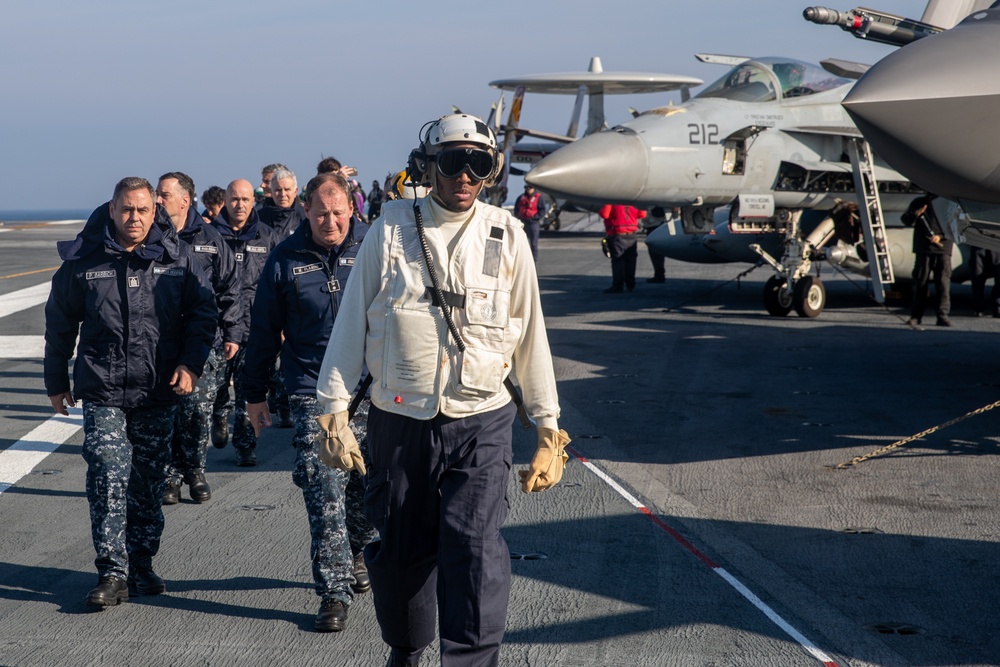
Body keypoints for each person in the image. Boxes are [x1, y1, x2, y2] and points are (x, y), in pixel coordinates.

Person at [316, 113, 570, 666]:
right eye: (453, 162)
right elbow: (351, 323)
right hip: (400, 419)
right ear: (428, 167)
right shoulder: (389, 229)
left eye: (478, 164)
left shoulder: (507, 235)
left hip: (482, 420)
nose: (464, 176)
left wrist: (549, 428)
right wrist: (332, 411)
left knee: (476, 553)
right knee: (402, 552)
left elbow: (531, 336)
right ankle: (405, 650)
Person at [44, 177, 216, 607]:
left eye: (143, 210)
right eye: (127, 210)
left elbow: (202, 313)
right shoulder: (85, 260)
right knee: (106, 471)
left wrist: (190, 364)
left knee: (147, 482)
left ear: (154, 210)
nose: (135, 218)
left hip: (157, 390)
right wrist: (56, 382)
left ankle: (140, 563)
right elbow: (60, 323)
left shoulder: (177, 259)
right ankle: (112, 570)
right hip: (102, 389)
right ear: (113, 209)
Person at [242, 172, 377, 633]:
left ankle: (358, 547)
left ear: (352, 210)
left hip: (371, 390)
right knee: (324, 488)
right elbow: (262, 331)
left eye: (339, 213)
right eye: (321, 213)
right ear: (306, 211)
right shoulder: (285, 259)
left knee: (367, 487)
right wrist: (254, 394)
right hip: (310, 389)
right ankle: (334, 591)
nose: (331, 222)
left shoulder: (375, 247)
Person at [156, 172, 242, 505]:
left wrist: (233, 331)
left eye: (164, 194)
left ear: (184, 199)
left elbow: (230, 288)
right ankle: (172, 476)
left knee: (196, 411)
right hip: (161, 341)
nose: (158, 200)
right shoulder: (152, 238)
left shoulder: (210, 238)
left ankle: (194, 470)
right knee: (167, 411)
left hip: (204, 340)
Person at [210, 180, 281, 463]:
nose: (239, 205)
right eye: (234, 199)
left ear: (255, 201)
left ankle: (245, 445)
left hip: (253, 328)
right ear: (225, 201)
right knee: (215, 388)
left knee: (247, 389)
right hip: (216, 329)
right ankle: (218, 415)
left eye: (245, 199)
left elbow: (278, 283)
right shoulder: (210, 236)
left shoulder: (267, 237)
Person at [904, 195, 953, 327]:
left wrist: (940, 236)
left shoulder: (950, 203)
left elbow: (956, 226)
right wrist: (915, 214)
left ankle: (942, 316)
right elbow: (905, 220)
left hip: (943, 250)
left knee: (943, 285)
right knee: (920, 283)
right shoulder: (919, 202)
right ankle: (916, 316)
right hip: (923, 249)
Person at [599, 203, 646, 293]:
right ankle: (630, 285)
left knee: (618, 261)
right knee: (631, 261)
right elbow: (642, 214)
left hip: (617, 234)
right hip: (632, 235)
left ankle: (618, 286)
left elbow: (605, 214)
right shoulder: (633, 200)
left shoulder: (612, 200)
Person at [258, 168, 308, 239]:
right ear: (272, 191)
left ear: (295, 191)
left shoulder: (306, 217)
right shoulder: (260, 218)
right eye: (278, 190)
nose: (283, 194)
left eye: (287, 189)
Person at [513, 183, 547, 261]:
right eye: (526, 187)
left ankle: (534, 260)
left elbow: (542, 210)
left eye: (530, 187)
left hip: (533, 223)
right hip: (522, 222)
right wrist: (517, 216)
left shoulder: (539, 197)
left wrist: (535, 217)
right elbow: (516, 208)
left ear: (533, 188)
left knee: (534, 243)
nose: (528, 189)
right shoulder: (521, 197)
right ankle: (521, 260)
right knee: (520, 243)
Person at [969, 245, 1000, 317]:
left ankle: (997, 306)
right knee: (977, 277)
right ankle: (978, 307)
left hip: (996, 244)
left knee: (999, 278)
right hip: (978, 244)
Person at [642, 206, 669, 283]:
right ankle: (659, 274)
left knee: (655, 253)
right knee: (656, 254)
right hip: (655, 224)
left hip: (654, 225)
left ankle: (659, 274)